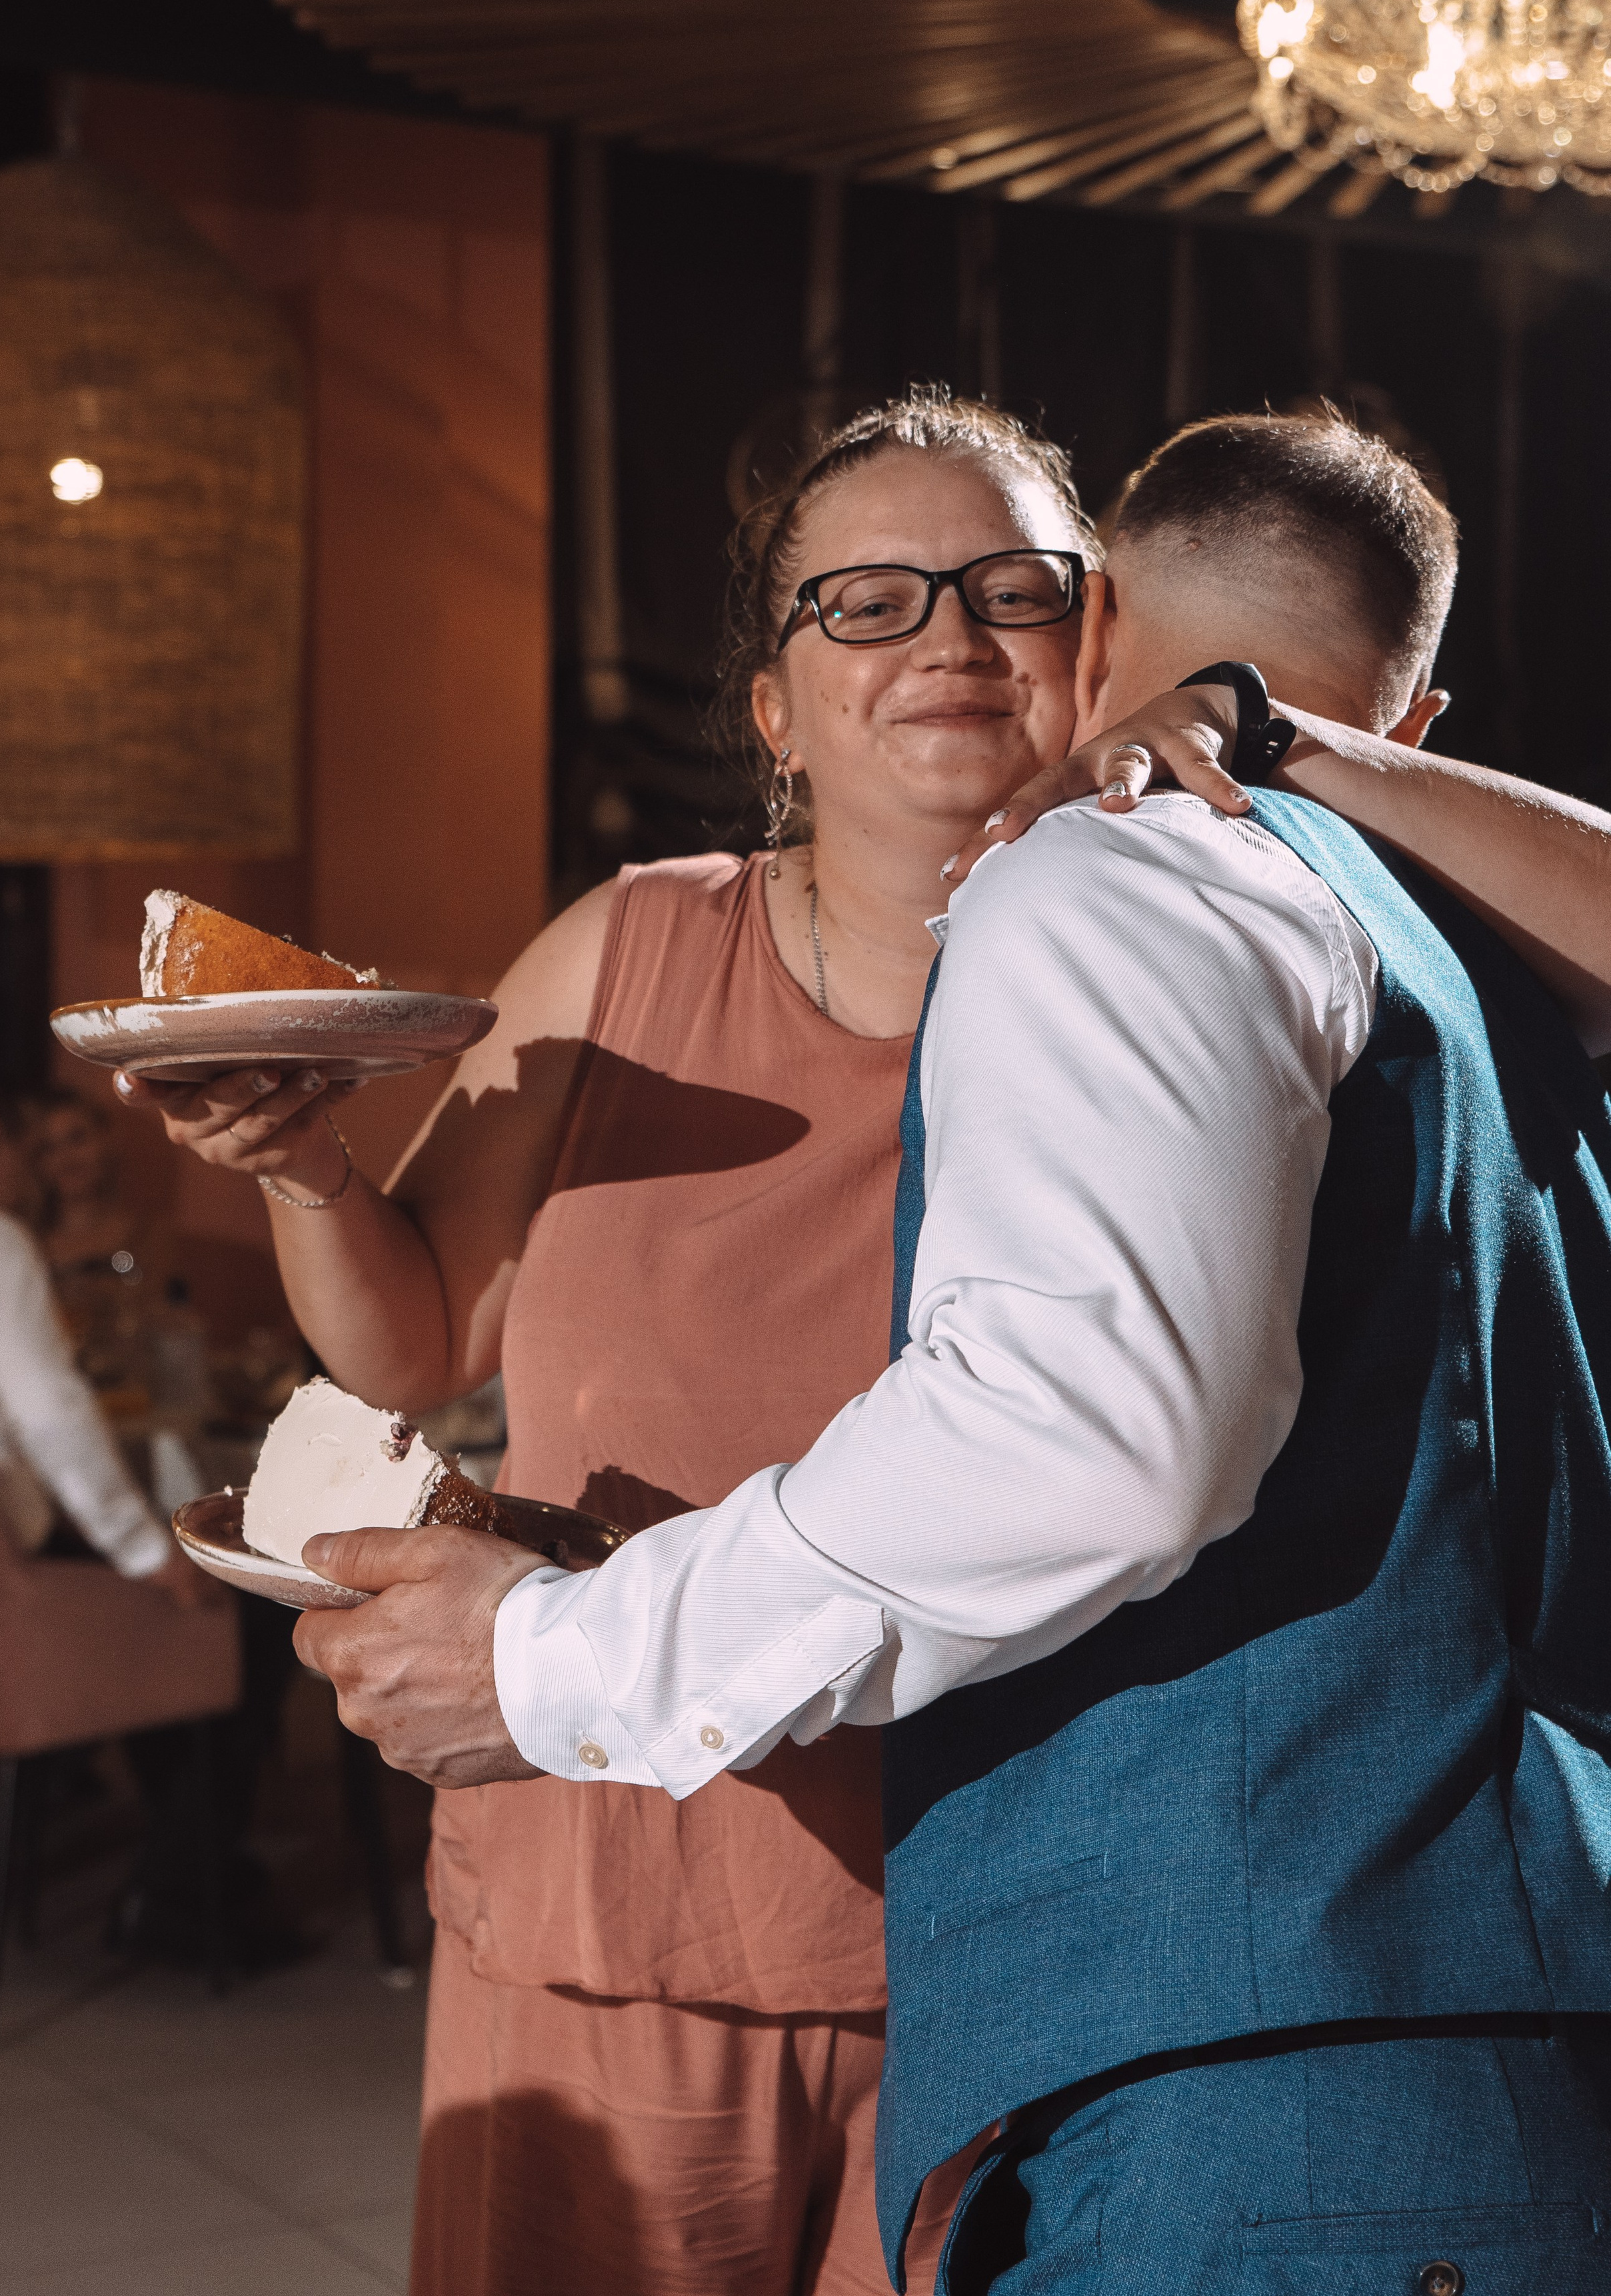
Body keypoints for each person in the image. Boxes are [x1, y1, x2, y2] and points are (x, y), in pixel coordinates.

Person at [123, 393, 1610, 2295]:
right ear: (771, 703)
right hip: (657, 1845)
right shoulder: (653, 949)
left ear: (1097, 632)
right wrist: (308, 1162)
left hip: (1006, 1931)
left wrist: (1280, 731)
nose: (949, 637)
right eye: (868, 600)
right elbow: (418, 1340)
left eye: (1009, 587)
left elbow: (1080, 1445)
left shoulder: (1170, 906)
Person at [0, 1063, 207, 1603]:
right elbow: (49, 1412)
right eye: (27, 1155)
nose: (30, 1179)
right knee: (232, 1582)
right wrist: (146, 1551)